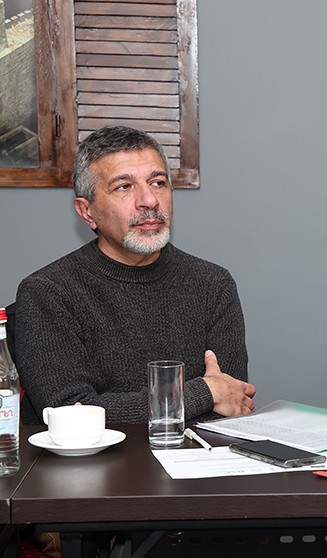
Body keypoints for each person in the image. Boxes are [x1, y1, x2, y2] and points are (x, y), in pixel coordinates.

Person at [16, 126, 256, 425]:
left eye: (158, 182)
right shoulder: (47, 292)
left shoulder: (213, 284)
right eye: (124, 187)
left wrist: (209, 396)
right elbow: (69, 414)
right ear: (87, 212)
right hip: (94, 457)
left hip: (196, 453)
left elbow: (232, 400)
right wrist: (202, 394)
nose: (149, 200)